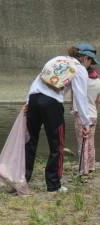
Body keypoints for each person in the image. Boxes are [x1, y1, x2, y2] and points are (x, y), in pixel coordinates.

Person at [24, 43, 99, 192]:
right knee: (56, 145)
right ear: (85, 58)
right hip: (51, 103)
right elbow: (80, 96)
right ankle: (53, 185)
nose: (90, 65)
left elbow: (38, 79)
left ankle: (23, 177)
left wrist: (27, 101)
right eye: (91, 62)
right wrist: (86, 122)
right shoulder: (79, 69)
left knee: (30, 140)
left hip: (34, 98)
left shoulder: (57, 59)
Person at [73, 63, 100, 181]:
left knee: (82, 142)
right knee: (90, 141)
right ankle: (91, 166)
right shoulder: (98, 81)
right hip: (93, 114)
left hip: (81, 114)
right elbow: (98, 100)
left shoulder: (81, 81)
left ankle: (83, 170)